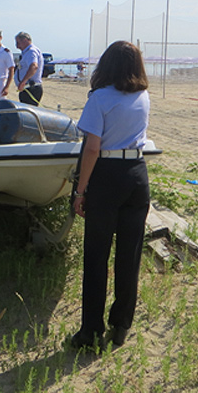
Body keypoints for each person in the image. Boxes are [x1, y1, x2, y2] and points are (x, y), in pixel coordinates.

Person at [71, 40, 151, 350]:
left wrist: (80, 190)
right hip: (137, 174)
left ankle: (91, 332)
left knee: (96, 256)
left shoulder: (100, 98)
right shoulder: (143, 96)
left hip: (106, 175)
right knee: (129, 256)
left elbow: (92, 148)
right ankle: (121, 324)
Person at [14, 31, 44, 106]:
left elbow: (34, 66)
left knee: (29, 111)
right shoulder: (26, 52)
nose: (17, 46)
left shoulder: (31, 51)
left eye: (18, 43)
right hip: (26, 89)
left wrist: (23, 81)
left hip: (31, 88)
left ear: (25, 40)